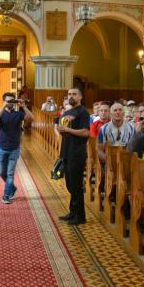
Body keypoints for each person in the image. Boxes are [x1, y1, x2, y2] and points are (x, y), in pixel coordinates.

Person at [57, 87, 90, 226]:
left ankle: (80, 216)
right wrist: (61, 130)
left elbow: (86, 132)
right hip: (66, 151)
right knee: (70, 185)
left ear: (80, 97)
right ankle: (73, 212)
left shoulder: (83, 112)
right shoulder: (67, 112)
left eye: (74, 94)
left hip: (77, 153)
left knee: (76, 186)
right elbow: (63, 130)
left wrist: (67, 129)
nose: (71, 96)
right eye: (69, 94)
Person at [0, 92, 34, 204]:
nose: (10, 103)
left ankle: (6, 195)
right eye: (8, 101)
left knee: (10, 173)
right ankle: (13, 188)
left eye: (12, 101)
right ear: (4, 101)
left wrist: (24, 106)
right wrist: (3, 106)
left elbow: (31, 118)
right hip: (2, 147)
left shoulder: (18, 114)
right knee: (2, 173)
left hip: (14, 148)